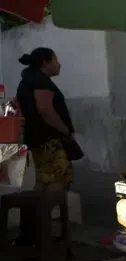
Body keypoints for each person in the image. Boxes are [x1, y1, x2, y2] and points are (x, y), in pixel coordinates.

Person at [16, 47, 76, 192]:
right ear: (45, 63)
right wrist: (65, 130)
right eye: (55, 60)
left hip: (37, 138)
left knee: (44, 178)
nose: (59, 64)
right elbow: (45, 110)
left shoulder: (28, 80)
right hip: (49, 139)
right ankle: (47, 213)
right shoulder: (39, 81)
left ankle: (39, 213)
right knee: (58, 178)